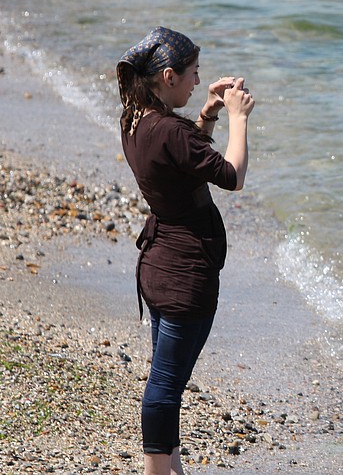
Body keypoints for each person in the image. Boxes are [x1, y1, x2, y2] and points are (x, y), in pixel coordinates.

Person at [116, 26, 255, 475]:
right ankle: (157, 466)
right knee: (165, 385)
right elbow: (231, 175)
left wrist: (208, 114)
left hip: (159, 266)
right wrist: (239, 117)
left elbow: (183, 156)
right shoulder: (169, 131)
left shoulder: (137, 119)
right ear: (169, 76)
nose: (199, 82)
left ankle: (169, 462)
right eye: (194, 75)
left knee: (165, 378)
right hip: (182, 274)